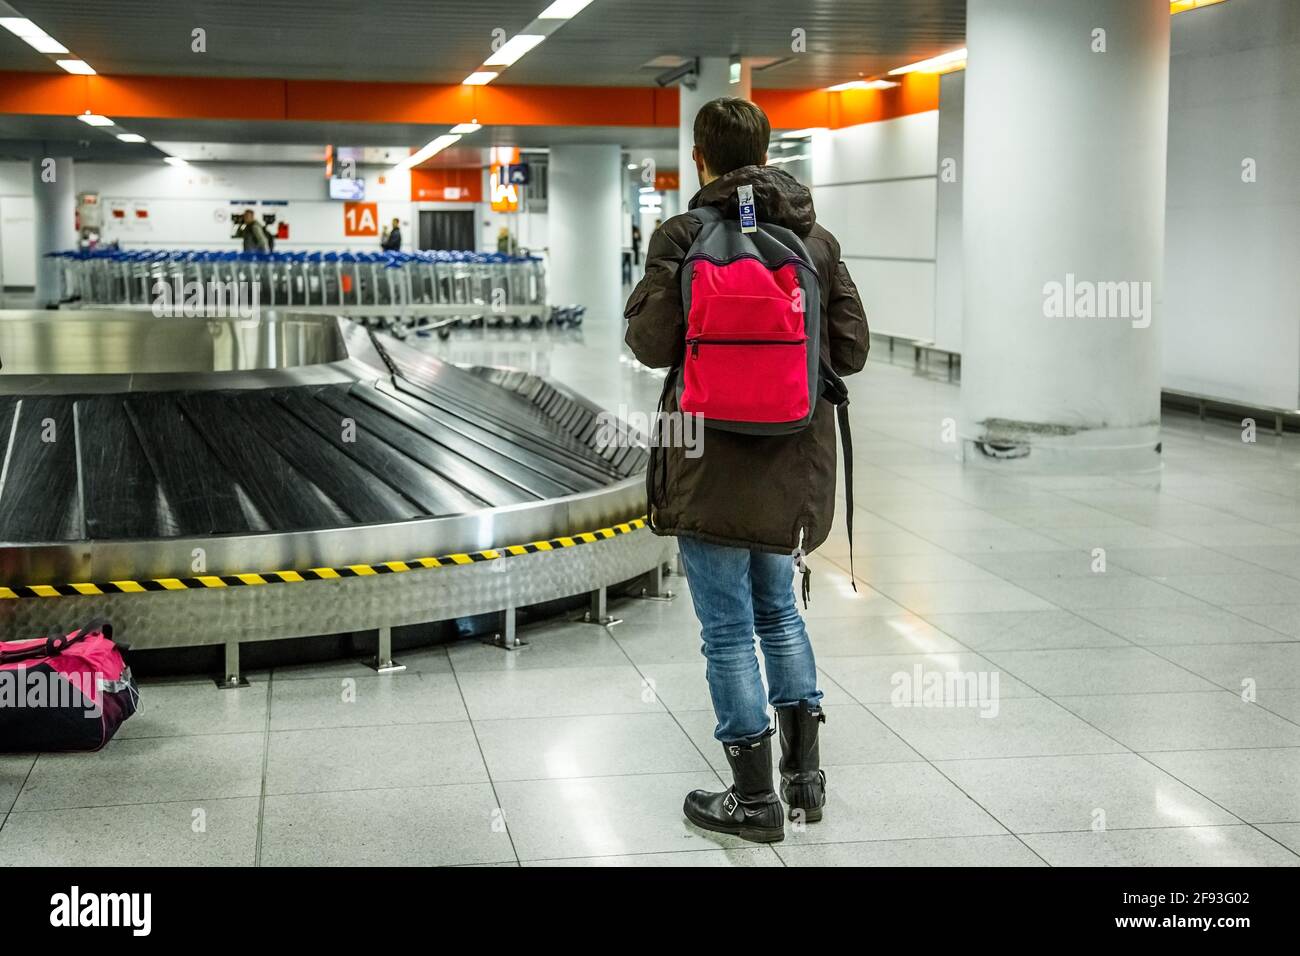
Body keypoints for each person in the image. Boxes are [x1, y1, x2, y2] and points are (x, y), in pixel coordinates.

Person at [624, 97, 868, 844]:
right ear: (765, 150)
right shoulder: (813, 238)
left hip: (706, 459)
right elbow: (852, 350)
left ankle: (754, 799)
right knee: (780, 613)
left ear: (701, 158)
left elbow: (651, 343)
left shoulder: (681, 233)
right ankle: (804, 780)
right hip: (790, 461)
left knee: (726, 630)